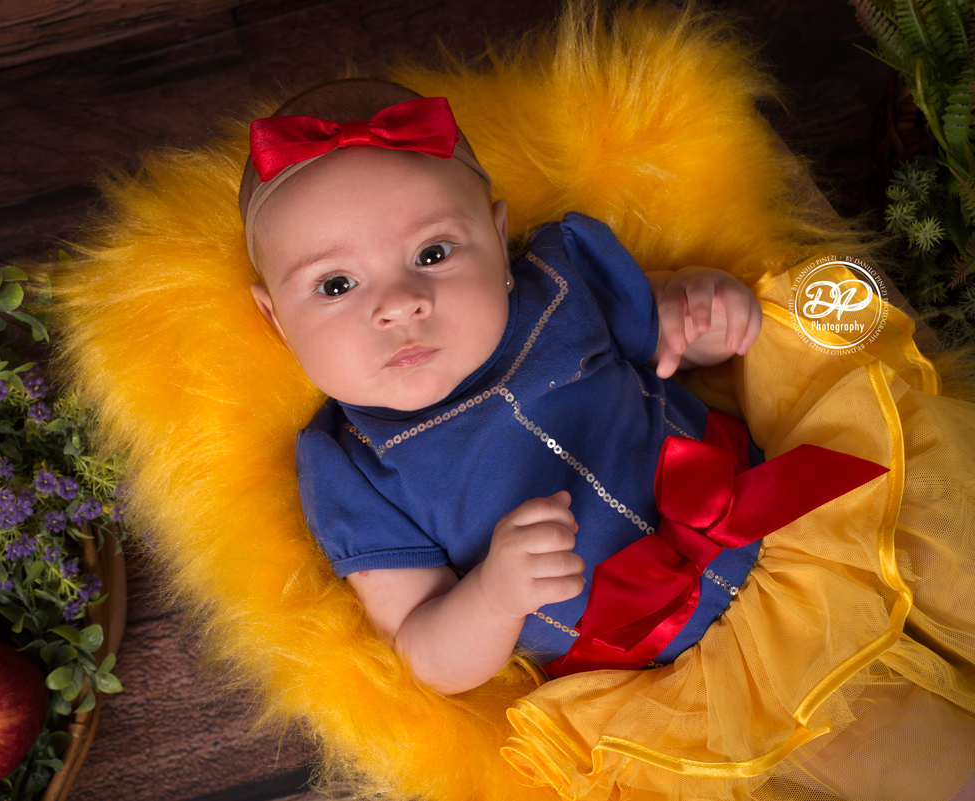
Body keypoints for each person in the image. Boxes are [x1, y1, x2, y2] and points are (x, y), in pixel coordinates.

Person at [239, 77, 975, 800]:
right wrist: (493, 596)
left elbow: (675, 338)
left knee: (945, 546)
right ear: (276, 319)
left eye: (433, 253)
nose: (400, 305)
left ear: (495, 238)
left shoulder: (562, 281)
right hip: (680, 669)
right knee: (896, 748)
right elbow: (425, 650)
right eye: (336, 285)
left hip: (791, 519)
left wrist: (704, 306)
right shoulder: (349, 466)